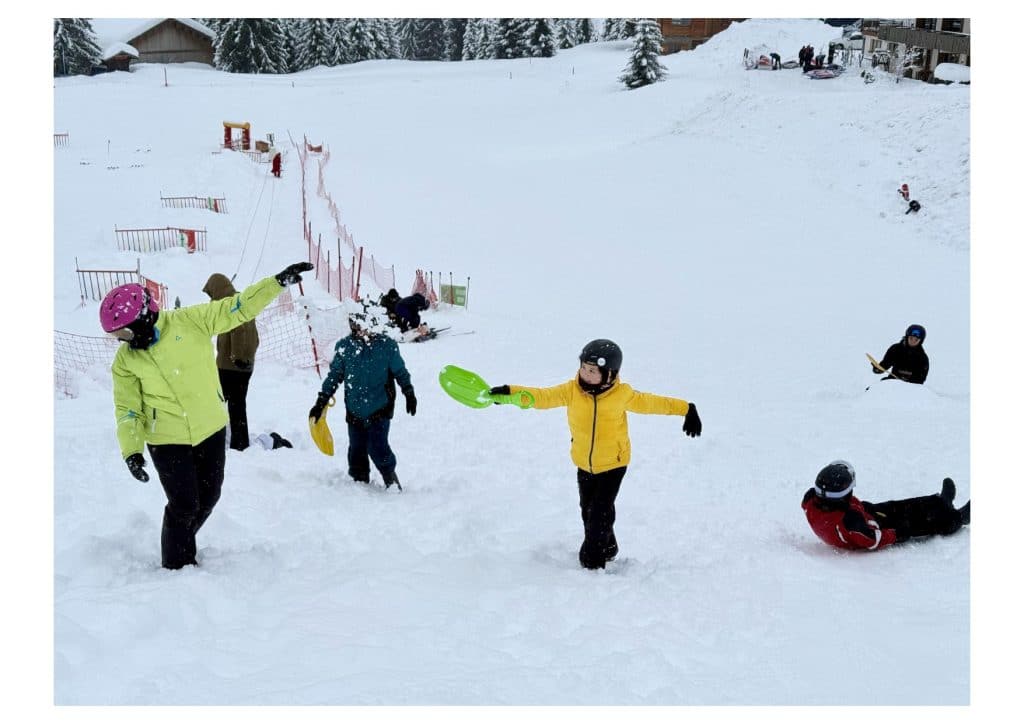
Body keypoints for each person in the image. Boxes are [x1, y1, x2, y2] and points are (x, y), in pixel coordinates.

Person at [102, 262, 314, 569]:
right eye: (114, 335)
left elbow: (237, 307)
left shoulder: (190, 321)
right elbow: (128, 408)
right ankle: (175, 566)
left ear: (144, 319)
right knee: (184, 505)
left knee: (209, 497)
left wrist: (276, 283)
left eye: (121, 332)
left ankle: (182, 543)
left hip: (210, 428)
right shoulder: (125, 361)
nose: (120, 340)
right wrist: (132, 450)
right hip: (166, 439)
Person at [488, 339, 702, 570]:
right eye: (583, 368)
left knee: (599, 514)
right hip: (584, 463)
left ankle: (592, 561)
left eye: (592, 371)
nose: (586, 374)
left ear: (610, 374)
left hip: (614, 464)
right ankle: (608, 547)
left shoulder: (623, 394)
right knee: (588, 510)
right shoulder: (571, 391)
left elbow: (654, 403)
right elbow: (542, 396)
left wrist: (686, 409)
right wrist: (510, 393)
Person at [308, 310, 416, 490]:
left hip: (380, 407)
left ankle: (391, 479)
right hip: (355, 409)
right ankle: (359, 485)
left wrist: (408, 391)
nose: (359, 331)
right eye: (355, 327)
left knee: (378, 447)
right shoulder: (345, 347)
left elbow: (400, 371)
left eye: (362, 327)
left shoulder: (386, 345)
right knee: (356, 449)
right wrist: (321, 401)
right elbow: (334, 376)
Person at [802, 460, 969, 551]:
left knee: (901, 506)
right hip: (877, 527)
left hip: (865, 513)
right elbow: (871, 540)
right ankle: (957, 519)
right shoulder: (852, 522)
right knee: (918, 521)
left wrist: (861, 509)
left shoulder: (811, 499)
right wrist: (895, 534)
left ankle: (940, 502)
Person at [202, 273, 259, 451]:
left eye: (211, 294)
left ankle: (211, 441)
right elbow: (254, 336)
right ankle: (240, 443)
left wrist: (236, 357)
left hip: (230, 366)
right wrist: (246, 358)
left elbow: (238, 330)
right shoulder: (243, 300)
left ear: (217, 290)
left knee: (215, 403)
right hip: (245, 366)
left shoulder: (229, 305)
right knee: (238, 405)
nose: (211, 298)